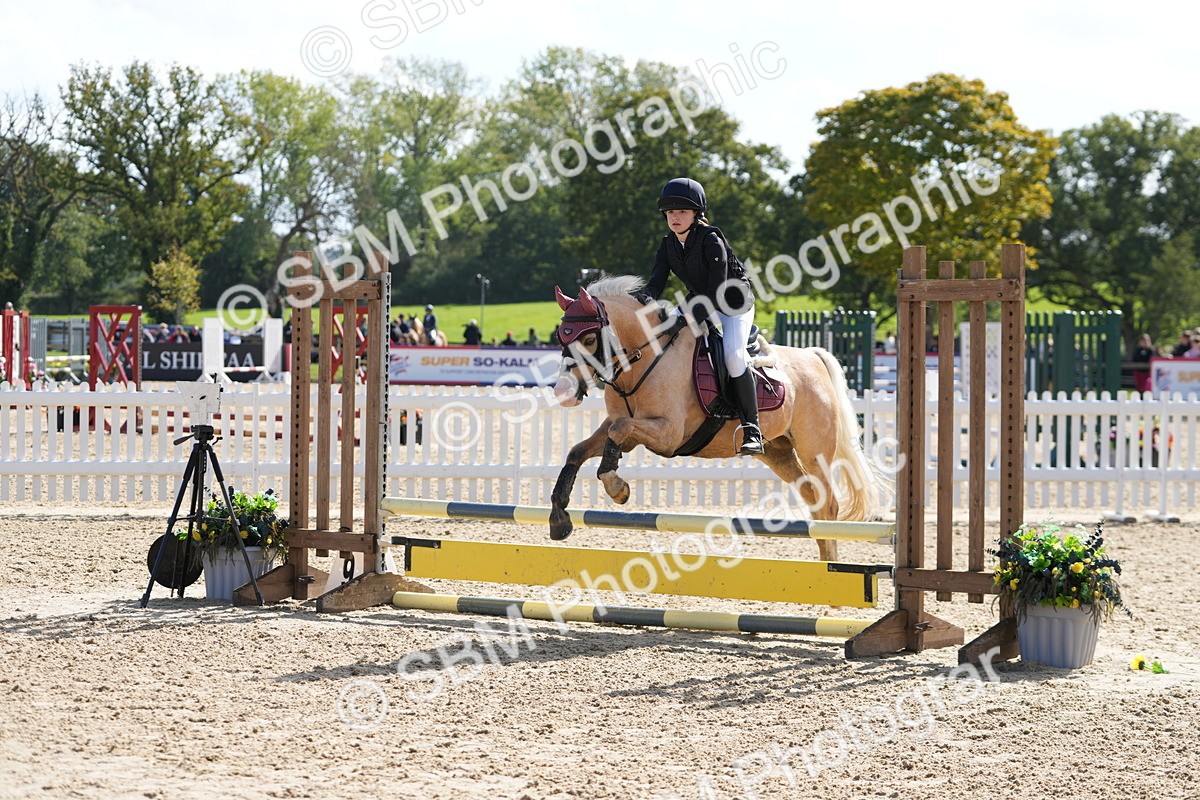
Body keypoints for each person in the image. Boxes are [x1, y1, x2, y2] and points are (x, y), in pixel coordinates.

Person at [644, 177, 762, 454]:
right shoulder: (668, 244)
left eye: (682, 212)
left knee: (734, 356)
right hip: (700, 298)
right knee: (662, 336)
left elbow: (718, 292)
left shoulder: (711, 240)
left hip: (733, 303)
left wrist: (686, 318)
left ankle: (752, 429)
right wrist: (643, 300)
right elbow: (655, 282)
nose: (675, 217)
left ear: (696, 214)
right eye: (671, 212)